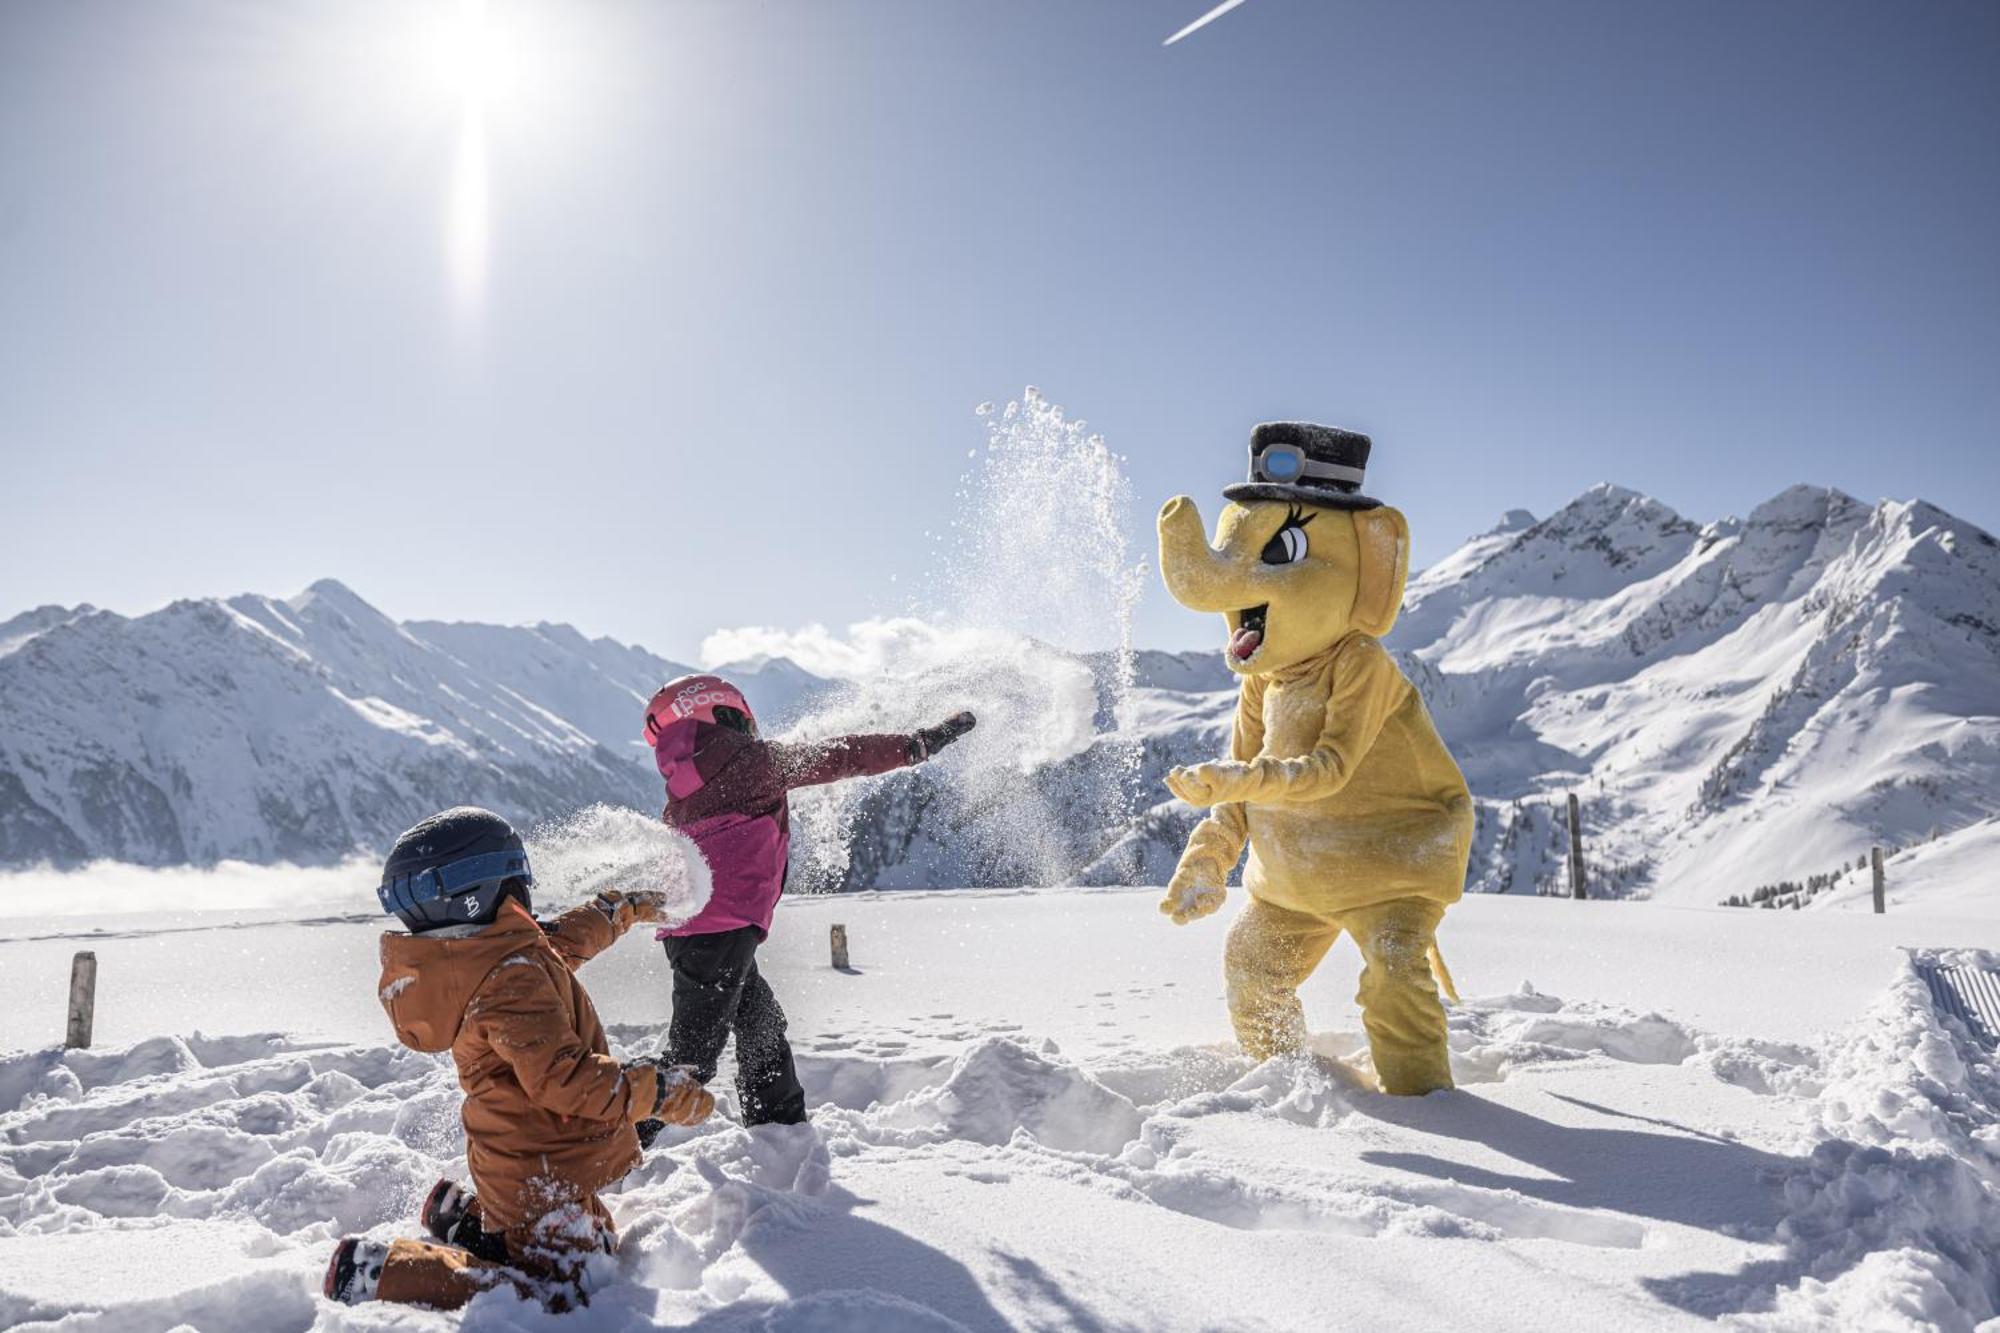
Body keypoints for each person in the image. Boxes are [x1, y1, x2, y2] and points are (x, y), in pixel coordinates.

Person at [323, 806, 713, 1310]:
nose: (523, 889)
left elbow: (554, 946)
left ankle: (466, 1221)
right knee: (563, 1292)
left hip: (531, 1158)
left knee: (597, 1242)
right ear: (487, 890)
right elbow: (567, 1079)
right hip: (538, 1169)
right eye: (516, 877)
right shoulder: (511, 979)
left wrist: (617, 911)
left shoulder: (483, 956)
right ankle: (383, 1272)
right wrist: (658, 1090)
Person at [638, 675, 975, 1138]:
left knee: (760, 1025)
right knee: (690, 1062)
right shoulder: (751, 763)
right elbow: (842, 755)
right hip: (719, 932)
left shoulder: (687, 777)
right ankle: (597, 1151)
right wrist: (914, 746)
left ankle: (781, 1132)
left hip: (702, 932)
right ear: (724, 714)